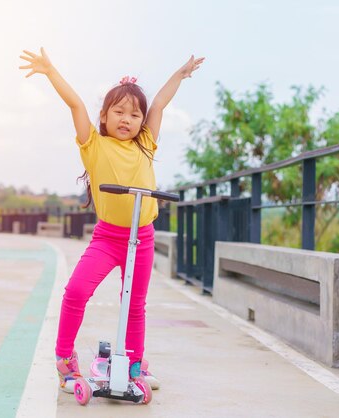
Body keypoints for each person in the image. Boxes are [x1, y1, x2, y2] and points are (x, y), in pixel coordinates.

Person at [19, 47, 204, 394]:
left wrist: (180, 74)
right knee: (75, 291)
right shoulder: (93, 144)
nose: (126, 119)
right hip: (107, 238)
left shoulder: (146, 144)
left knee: (134, 303)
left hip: (143, 237)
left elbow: (160, 103)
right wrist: (50, 70)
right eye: (118, 112)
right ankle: (64, 360)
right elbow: (75, 104)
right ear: (104, 116)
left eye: (134, 115)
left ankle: (133, 363)